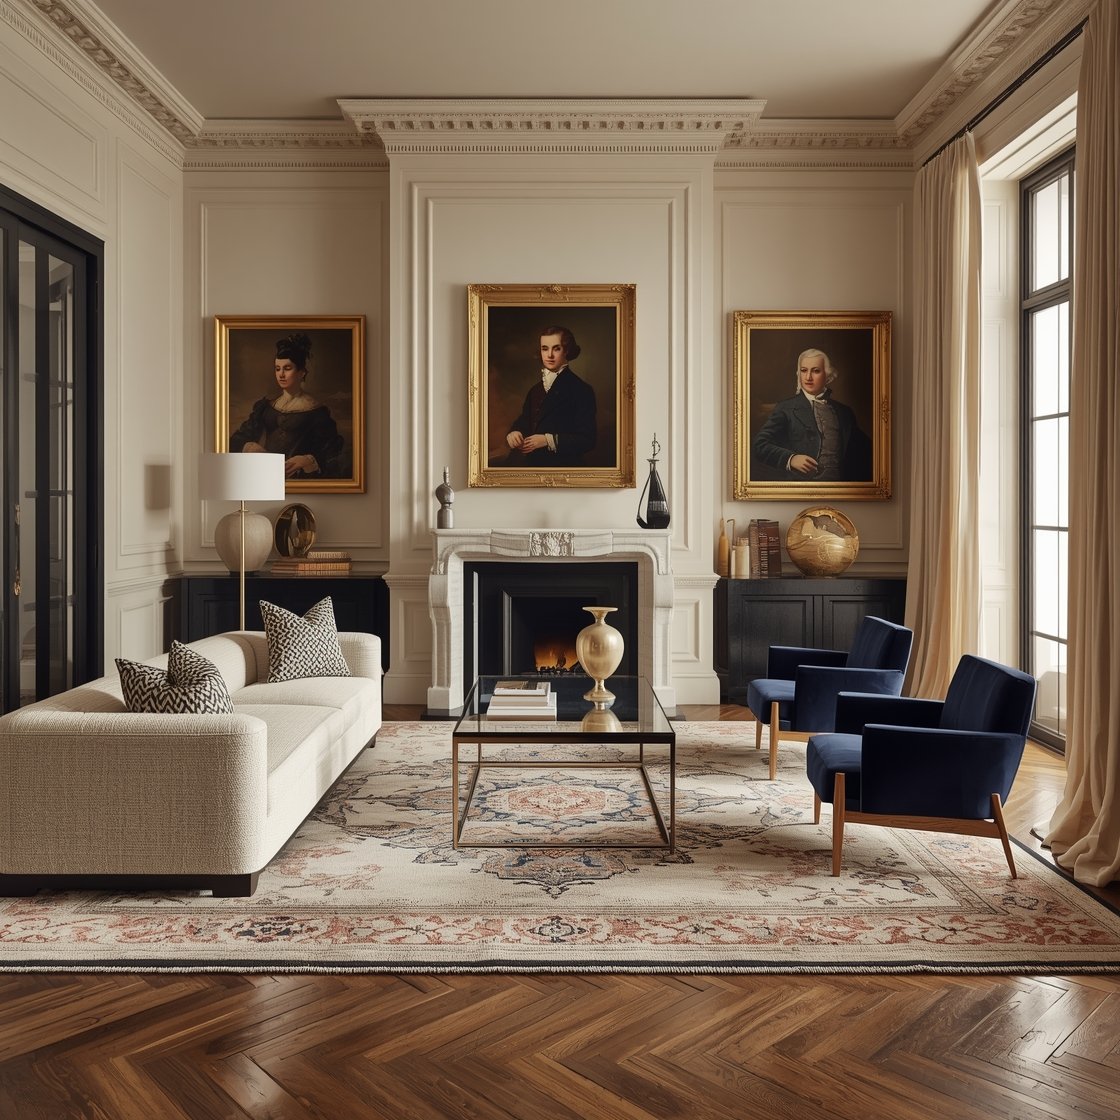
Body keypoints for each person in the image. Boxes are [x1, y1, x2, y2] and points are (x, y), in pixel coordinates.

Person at [230, 333, 345, 479]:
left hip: (300, 479)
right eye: (277, 369)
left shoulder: (317, 412)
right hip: (266, 477)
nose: (281, 374)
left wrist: (308, 460)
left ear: (301, 372)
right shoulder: (265, 405)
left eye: (287, 368)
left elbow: (332, 449)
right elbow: (237, 438)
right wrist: (249, 447)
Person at [751, 347, 872, 482]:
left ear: (828, 376)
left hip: (839, 490)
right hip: (801, 489)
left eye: (816, 371)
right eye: (804, 370)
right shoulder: (786, 408)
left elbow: (866, 453)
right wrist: (791, 459)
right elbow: (759, 445)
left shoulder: (844, 413)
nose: (808, 377)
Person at [502, 325, 597, 467]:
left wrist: (547, 440)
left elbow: (587, 440)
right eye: (545, 348)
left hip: (563, 467)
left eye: (556, 348)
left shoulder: (581, 390)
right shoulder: (535, 390)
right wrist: (514, 433)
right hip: (531, 465)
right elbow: (525, 421)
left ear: (567, 350)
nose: (549, 355)